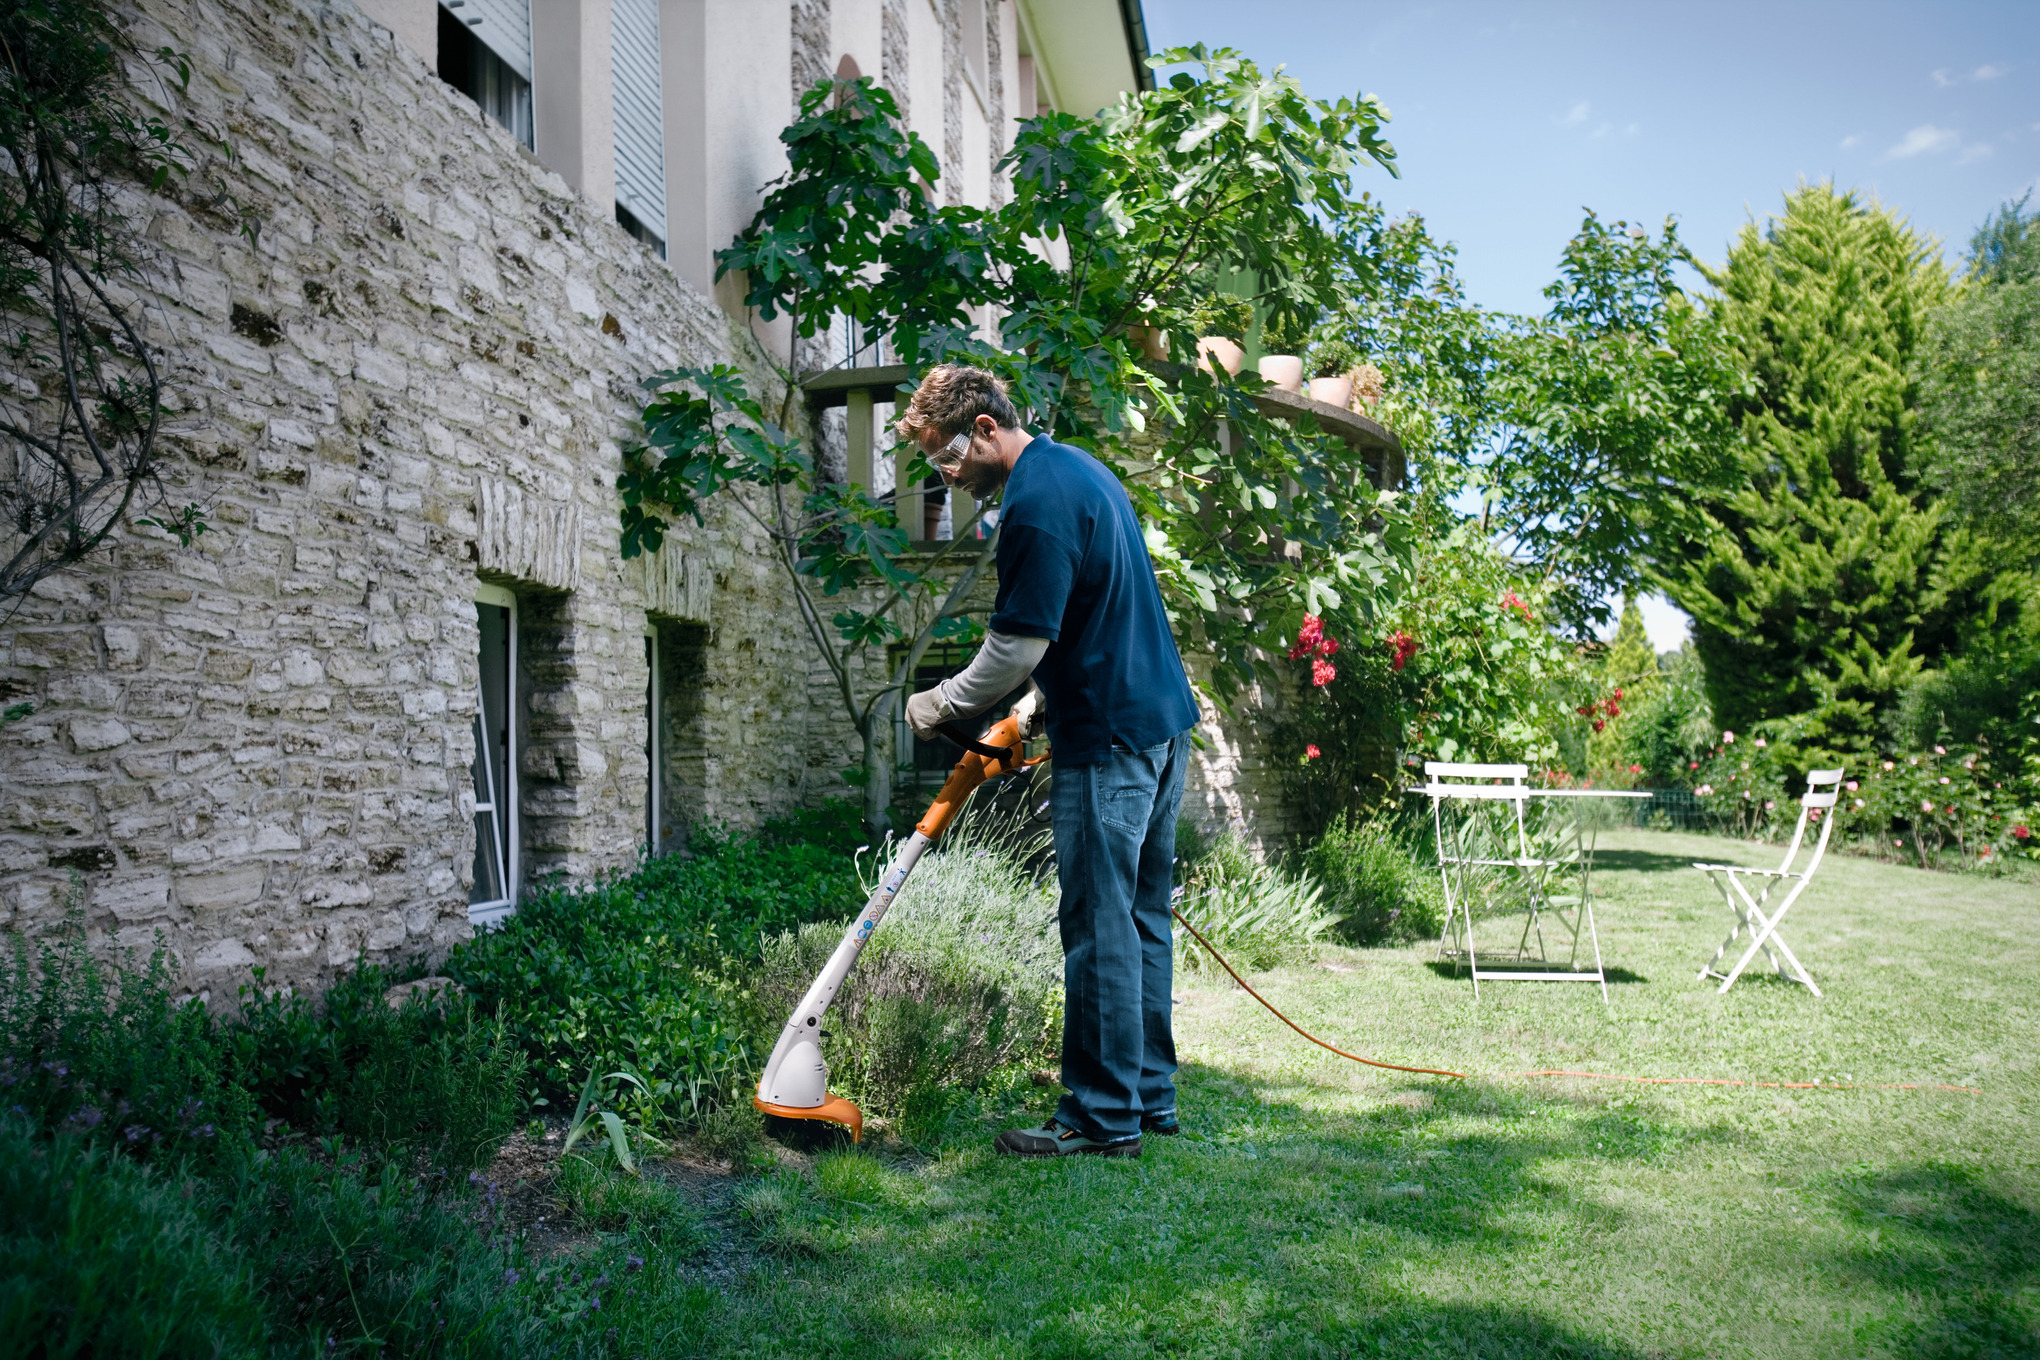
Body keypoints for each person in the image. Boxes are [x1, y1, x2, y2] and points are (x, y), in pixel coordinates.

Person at [895, 365, 1199, 1158]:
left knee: (1098, 927)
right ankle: (1148, 1098)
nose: (947, 476)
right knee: (1140, 919)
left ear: (988, 428)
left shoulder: (1030, 505)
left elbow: (1017, 644)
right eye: (935, 466)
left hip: (1109, 741)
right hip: (1161, 725)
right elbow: (1093, 612)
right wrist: (1032, 706)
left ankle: (1100, 1118)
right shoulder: (1078, 470)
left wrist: (943, 703)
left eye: (949, 457)